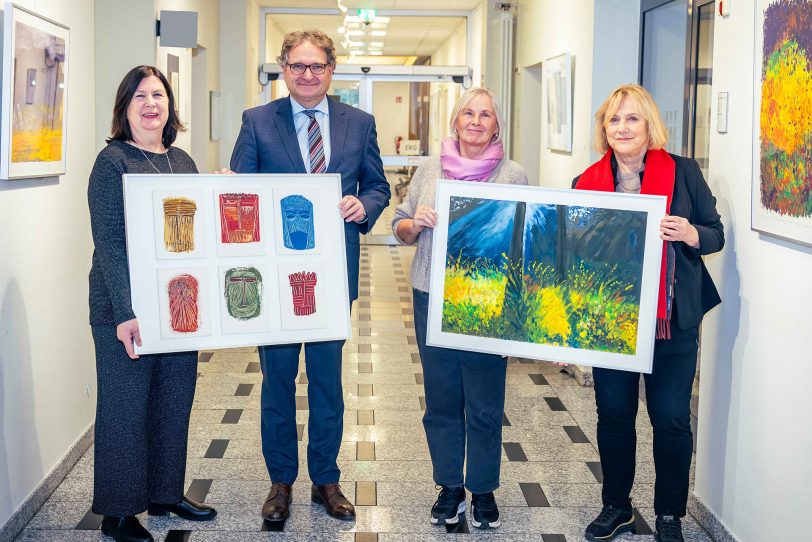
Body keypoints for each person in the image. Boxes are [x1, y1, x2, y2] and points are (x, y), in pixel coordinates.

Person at [230, 29, 390, 523]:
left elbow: (379, 186)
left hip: (331, 275)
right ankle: (280, 481)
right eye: (297, 66)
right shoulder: (257, 122)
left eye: (316, 66)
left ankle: (326, 478)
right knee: (277, 382)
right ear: (284, 70)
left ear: (330, 71)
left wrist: (362, 204)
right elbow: (240, 199)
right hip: (274, 277)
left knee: (326, 382)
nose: (306, 75)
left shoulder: (358, 123)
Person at [574, 84, 724, 542]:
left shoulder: (683, 173)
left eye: (632, 118)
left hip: (671, 320)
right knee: (614, 415)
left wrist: (691, 233)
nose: (622, 127)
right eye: (614, 119)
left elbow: (715, 234)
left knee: (672, 417)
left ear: (649, 125)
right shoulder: (585, 182)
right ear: (605, 128)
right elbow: (570, 257)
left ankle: (669, 516)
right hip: (610, 322)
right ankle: (616, 506)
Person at [87, 65, 216, 542]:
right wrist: (125, 312)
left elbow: (200, 235)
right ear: (125, 108)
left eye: (158, 95)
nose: (150, 104)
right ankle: (118, 513)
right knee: (125, 406)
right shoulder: (113, 162)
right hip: (124, 306)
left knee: (173, 400)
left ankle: (165, 493)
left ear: (169, 105)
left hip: (178, 304)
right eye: (139, 96)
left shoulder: (182, 161)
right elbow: (109, 243)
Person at [392, 87, 528, 529]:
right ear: (455, 121)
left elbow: (523, 246)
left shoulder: (513, 175)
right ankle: (449, 485)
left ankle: (483, 489)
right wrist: (415, 223)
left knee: (486, 404)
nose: (475, 121)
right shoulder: (430, 169)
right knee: (442, 399)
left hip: (486, 305)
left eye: (485, 114)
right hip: (431, 295)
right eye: (468, 113)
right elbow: (400, 223)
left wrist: (515, 320)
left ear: (496, 125)